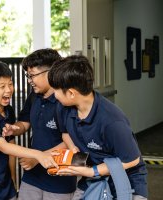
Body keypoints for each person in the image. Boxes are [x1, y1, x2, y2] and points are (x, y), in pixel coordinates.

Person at [48, 55, 148, 200]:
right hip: (92, 178)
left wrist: (92, 171)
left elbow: (131, 160)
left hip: (126, 181)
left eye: (56, 90)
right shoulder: (63, 108)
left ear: (71, 93)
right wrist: (73, 149)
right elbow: (65, 133)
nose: (54, 94)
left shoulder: (112, 121)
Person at [0, 60, 58, 200]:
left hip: (7, 189)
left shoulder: (8, 111)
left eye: (10, 84)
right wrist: (39, 155)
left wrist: (13, 181)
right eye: (2, 86)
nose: (9, 90)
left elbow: (11, 145)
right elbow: (4, 147)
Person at [3, 49, 77, 200]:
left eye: (32, 75)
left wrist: (38, 158)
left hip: (59, 178)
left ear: (50, 72)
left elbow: (70, 141)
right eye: (27, 76)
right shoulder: (34, 96)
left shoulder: (65, 101)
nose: (29, 80)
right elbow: (25, 123)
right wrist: (14, 129)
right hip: (32, 176)